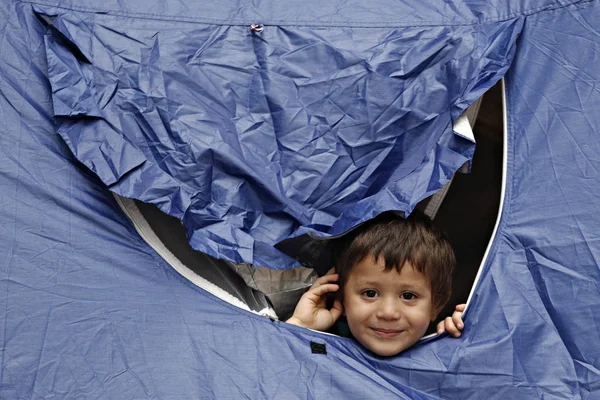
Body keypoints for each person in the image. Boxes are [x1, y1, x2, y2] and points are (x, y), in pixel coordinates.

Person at [286, 211, 466, 357]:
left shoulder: (441, 350)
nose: (388, 313)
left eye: (408, 296)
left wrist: (461, 338)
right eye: (370, 293)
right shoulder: (320, 345)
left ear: (437, 304)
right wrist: (300, 326)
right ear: (342, 297)